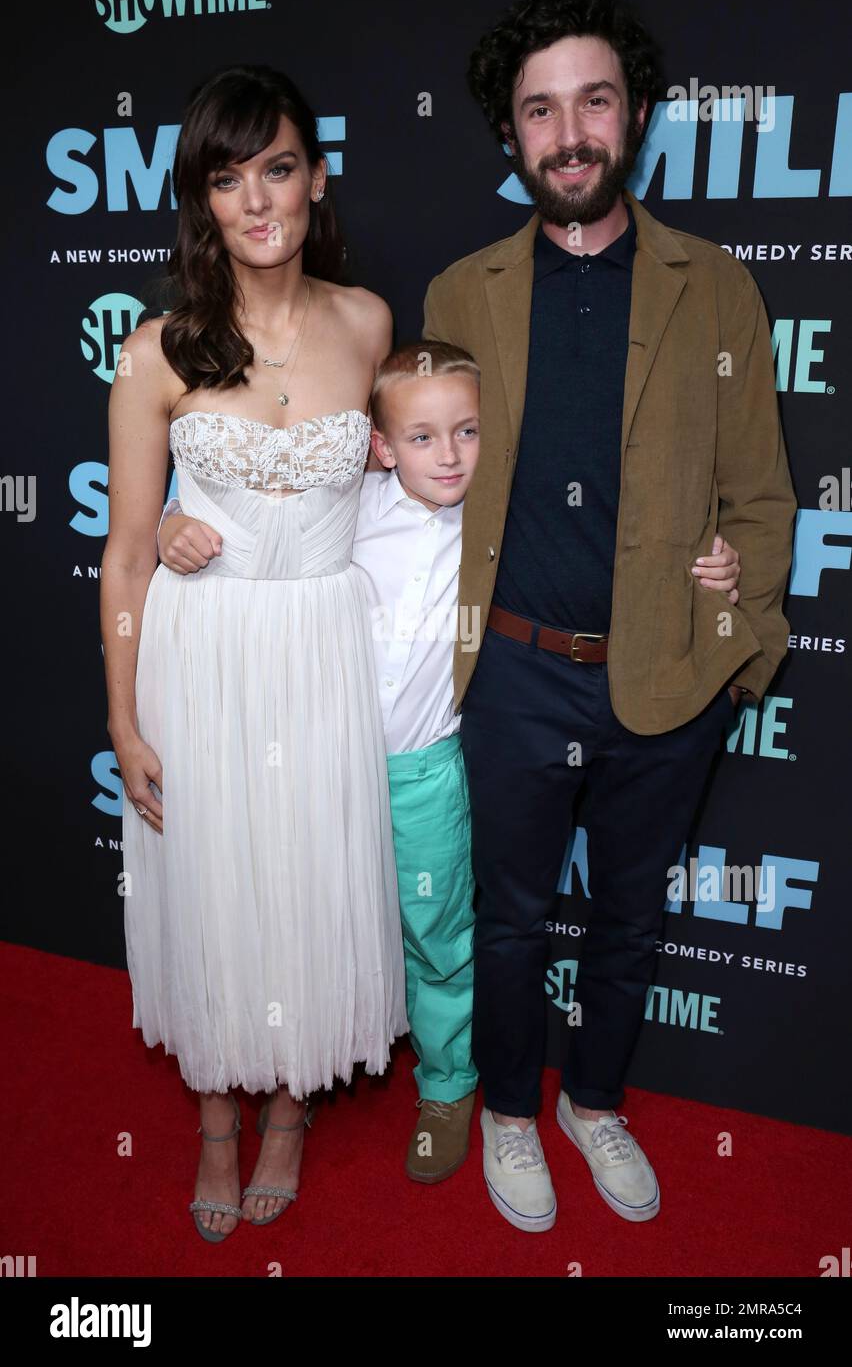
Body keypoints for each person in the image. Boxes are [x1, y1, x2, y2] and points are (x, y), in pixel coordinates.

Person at [160, 338, 743, 1188]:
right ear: (380, 445)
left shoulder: (510, 523)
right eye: (424, 437)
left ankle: (446, 1087)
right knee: (307, 924)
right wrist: (175, 512)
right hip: (326, 763)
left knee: (437, 938)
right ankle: (300, 1068)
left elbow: (625, 543)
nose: (449, 455)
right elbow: (253, 511)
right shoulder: (350, 506)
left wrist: (713, 563)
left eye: (469, 433)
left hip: (428, 771)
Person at [421, 0, 796, 1233]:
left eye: (593, 100)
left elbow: (762, 496)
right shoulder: (460, 293)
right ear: (512, 134)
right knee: (511, 919)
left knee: (631, 919)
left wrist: (738, 636)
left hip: (665, 674)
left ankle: (595, 1098)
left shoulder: (717, 284)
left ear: (631, 116)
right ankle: (514, 1115)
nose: (569, 131)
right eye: (540, 110)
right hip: (514, 674)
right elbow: (426, 483)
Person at [100, 64, 408, 1245]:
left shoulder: (370, 322)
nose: (257, 198)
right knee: (217, 881)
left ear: (316, 177)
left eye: (277, 167)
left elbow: (418, 480)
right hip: (205, 655)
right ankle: (219, 1119)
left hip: (322, 650)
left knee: (309, 872)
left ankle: (291, 1106)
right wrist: (125, 721)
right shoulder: (158, 351)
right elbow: (129, 554)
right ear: (203, 201)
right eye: (227, 179)